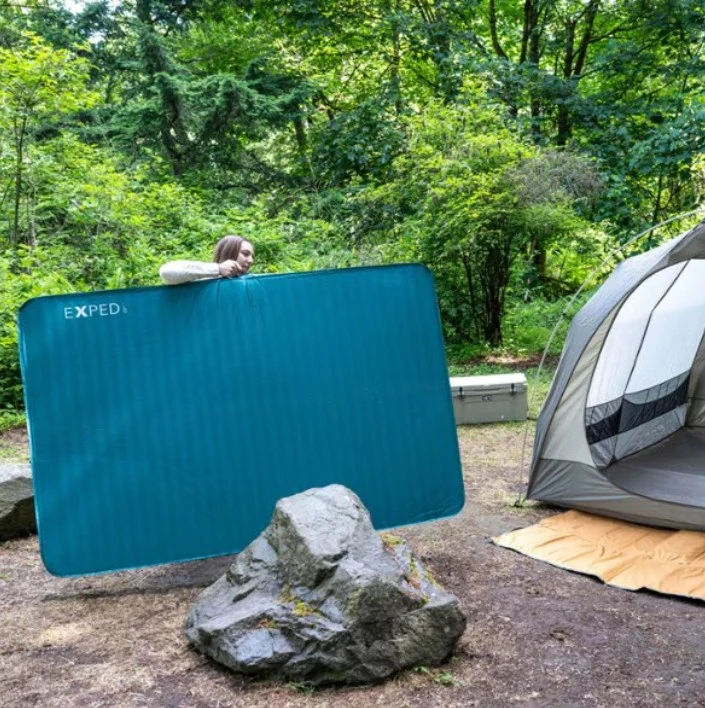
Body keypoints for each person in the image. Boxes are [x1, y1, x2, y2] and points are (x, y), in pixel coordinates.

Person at [159, 235, 255, 285]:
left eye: (252, 256)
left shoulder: (251, 283)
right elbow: (166, 272)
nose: (250, 260)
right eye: (245, 254)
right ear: (229, 251)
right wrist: (218, 269)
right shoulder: (204, 279)